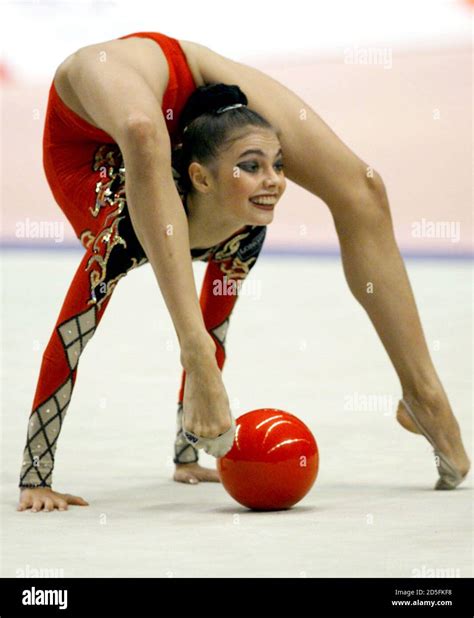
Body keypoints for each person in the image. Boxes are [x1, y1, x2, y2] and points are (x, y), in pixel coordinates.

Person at [17, 31, 470, 512]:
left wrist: (186, 455)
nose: (275, 181)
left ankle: (424, 395)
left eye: (276, 167)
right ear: (200, 177)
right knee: (143, 130)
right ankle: (199, 367)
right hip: (93, 110)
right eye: (257, 167)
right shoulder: (120, 231)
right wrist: (35, 476)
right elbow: (70, 338)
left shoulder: (244, 225)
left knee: (363, 188)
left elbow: (218, 310)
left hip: (187, 71)